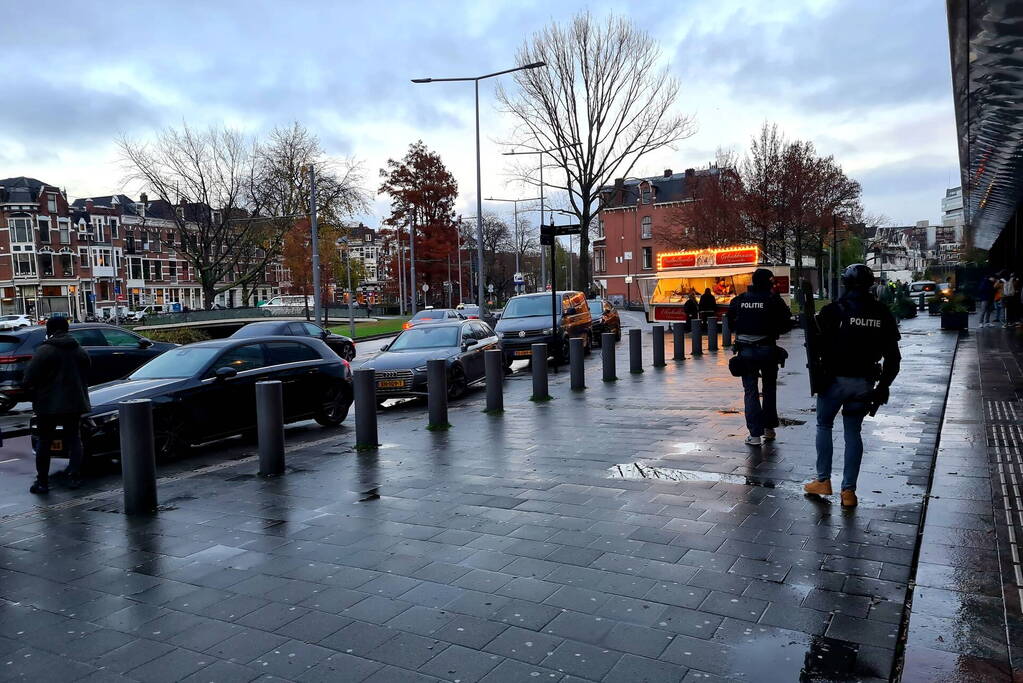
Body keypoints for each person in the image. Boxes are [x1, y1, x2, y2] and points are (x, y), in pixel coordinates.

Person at [804, 264, 901, 508]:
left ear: (845, 284)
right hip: (864, 382)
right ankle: (849, 492)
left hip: (834, 381)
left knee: (824, 425)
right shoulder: (882, 312)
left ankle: (823, 480)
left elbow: (814, 345)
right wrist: (883, 387)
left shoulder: (833, 311)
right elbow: (893, 358)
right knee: (853, 432)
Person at [22, 317, 91, 494]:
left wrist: (33, 392)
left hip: (48, 405)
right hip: (74, 403)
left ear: (49, 330)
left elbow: (28, 378)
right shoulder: (79, 350)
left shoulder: (44, 351)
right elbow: (87, 371)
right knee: (74, 439)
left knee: (44, 441)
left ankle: (42, 482)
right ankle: (74, 476)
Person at [727, 268, 792, 447]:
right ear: (769, 283)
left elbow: (730, 321)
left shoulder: (740, 300)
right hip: (767, 349)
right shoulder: (773, 300)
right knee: (769, 389)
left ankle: (754, 435)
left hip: (745, 351)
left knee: (751, 391)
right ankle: (769, 429)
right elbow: (786, 323)